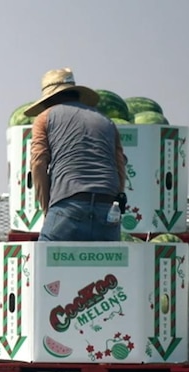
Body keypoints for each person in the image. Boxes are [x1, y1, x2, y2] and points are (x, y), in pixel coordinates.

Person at [23, 67, 127, 241]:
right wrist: (115, 200)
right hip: (108, 208)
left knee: (44, 256)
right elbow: (120, 166)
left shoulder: (45, 118)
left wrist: (48, 209)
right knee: (105, 259)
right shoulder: (106, 121)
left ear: (48, 99)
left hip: (68, 204)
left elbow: (38, 163)